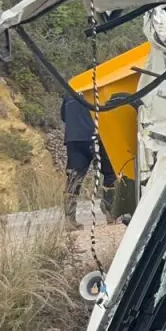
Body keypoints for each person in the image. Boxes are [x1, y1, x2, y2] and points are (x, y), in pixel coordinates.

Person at [62, 93, 115, 229]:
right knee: (110, 172)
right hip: (98, 137)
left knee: (74, 178)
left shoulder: (70, 92)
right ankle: (109, 210)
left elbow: (64, 116)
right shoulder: (100, 89)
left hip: (75, 140)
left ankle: (69, 219)